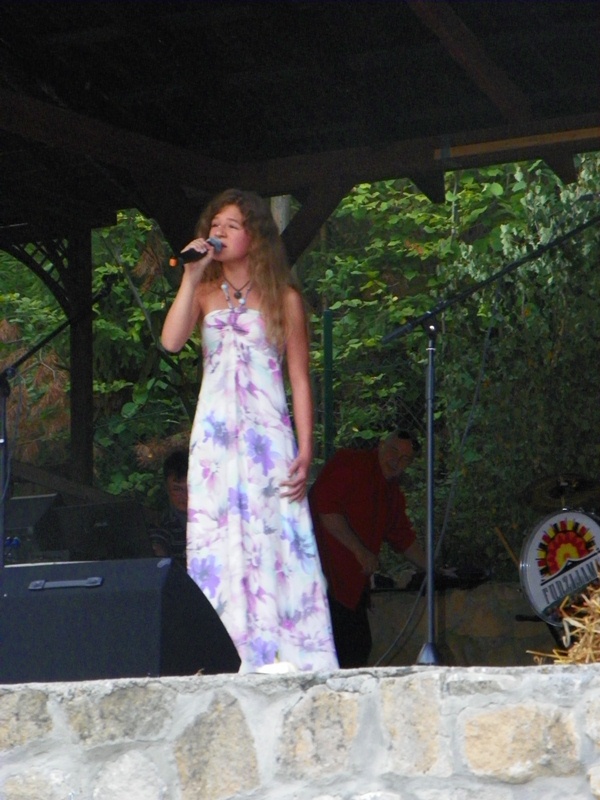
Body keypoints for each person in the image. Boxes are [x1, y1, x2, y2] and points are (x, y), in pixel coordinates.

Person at [160, 188, 338, 673]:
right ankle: (223, 655)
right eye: (214, 224)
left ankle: (287, 654)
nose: (218, 232)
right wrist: (192, 274)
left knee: (272, 536)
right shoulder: (203, 292)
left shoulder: (285, 298)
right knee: (219, 539)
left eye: (231, 225)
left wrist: (306, 448)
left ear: (255, 237)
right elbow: (171, 341)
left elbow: (300, 378)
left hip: (267, 437)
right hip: (216, 438)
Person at [309, 430, 428, 668]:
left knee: (357, 647)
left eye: (405, 458)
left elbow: (402, 536)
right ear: (381, 445)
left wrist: (432, 569)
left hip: (352, 585)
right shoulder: (351, 464)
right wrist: (360, 551)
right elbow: (325, 509)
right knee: (342, 649)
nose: (396, 461)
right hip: (320, 575)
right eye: (394, 451)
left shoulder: (391, 493)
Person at [149, 449, 188, 568]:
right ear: (167, 489)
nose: (185, 495)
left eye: (191, 488)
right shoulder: (163, 523)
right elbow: (158, 545)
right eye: (177, 489)